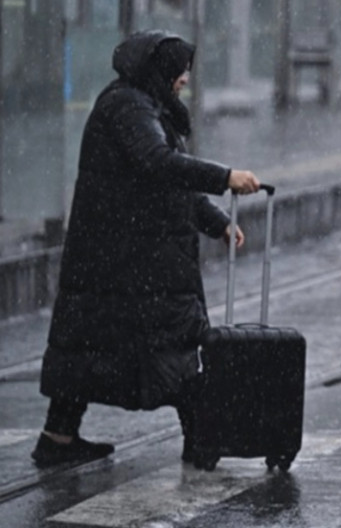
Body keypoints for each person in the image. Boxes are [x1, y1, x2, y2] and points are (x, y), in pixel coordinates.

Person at [33, 31, 262, 469]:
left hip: (114, 255)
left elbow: (165, 182)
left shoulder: (141, 105)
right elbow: (159, 166)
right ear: (159, 71)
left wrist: (216, 221)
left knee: (88, 347)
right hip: (130, 259)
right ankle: (202, 440)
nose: (184, 81)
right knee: (168, 346)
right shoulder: (128, 107)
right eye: (180, 72)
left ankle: (58, 437)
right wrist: (224, 176)